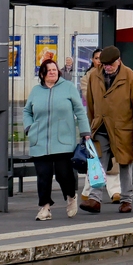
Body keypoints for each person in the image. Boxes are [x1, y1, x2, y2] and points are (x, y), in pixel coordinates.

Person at [81, 45, 133, 215]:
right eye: (104, 64)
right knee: (98, 163)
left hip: (123, 128)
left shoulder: (130, 76)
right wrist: (89, 127)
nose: (107, 67)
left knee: (124, 164)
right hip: (101, 126)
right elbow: (90, 103)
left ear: (119, 61)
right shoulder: (94, 76)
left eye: (110, 64)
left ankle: (126, 200)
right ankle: (94, 199)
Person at [23, 59, 90, 221]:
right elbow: (27, 111)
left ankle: (71, 196)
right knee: (43, 176)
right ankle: (45, 208)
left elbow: (79, 111)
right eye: (49, 70)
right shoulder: (36, 91)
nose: (53, 72)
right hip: (40, 141)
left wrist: (85, 132)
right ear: (42, 74)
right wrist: (29, 128)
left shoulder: (68, 88)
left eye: (54, 69)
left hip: (63, 141)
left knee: (64, 174)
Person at [78, 49, 123, 204]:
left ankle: (115, 191)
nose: (99, 61)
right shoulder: (89, 77)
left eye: (101, 58)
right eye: (96, 58)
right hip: (97, 123)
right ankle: (89, 192)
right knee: (96, 160)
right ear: (92, 60)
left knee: (113, 160)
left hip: (114, 124)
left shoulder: (117, 75)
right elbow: (89, 98)